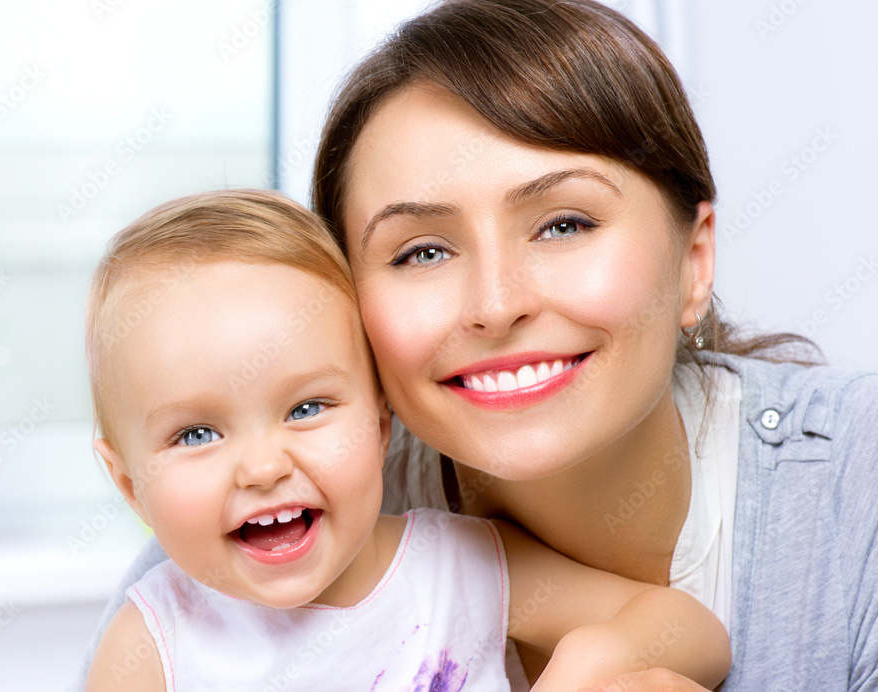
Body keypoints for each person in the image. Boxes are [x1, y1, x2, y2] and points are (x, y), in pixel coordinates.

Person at [76, 1, 878, 690]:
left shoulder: (856, 486)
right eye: (421, 251)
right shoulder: (241, 554)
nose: (495, 306)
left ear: (694, 261)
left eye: (565, 224)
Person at [80, 189, 730, 691]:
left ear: (382, 421)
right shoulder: (150, 646)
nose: (261, 466)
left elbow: (692, 630)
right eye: (196, 434)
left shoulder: (457, 569)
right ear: (129, 484)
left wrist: (594, 659)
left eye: (307, 408)